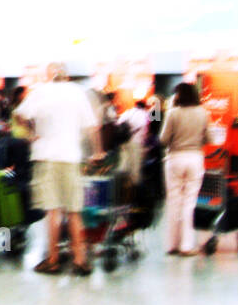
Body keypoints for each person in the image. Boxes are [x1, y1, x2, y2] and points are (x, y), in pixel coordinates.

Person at [15, 63, 102, 276]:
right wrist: (97, 152)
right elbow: (92, 127)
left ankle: (53, 260)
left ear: (49, 75)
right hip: (71, 157)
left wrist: (31, 133)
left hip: (46, 156)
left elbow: (19, 115)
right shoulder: (78, 93)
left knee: (52, 210)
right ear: (67, 75)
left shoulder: (40, 91)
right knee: (74, 210)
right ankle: (80, 261)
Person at [159, 82, 211, 256]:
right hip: (195, 158)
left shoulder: (173, 113)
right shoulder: (203, 113)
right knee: (189, 203)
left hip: (174, 158)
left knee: (174, 201)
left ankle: (171, 245)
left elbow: (163, 139)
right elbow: (209, 137)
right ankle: (187, 245)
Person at [117, 98, 151, 185]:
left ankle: (121, 186)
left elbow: (118, 124)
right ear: (144, 107)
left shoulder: (127, 112)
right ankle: (134, 188)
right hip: (136, 142)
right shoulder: (144, 114)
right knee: (135, 167)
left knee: (124, 164)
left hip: (123, 141)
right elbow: (145, 130)